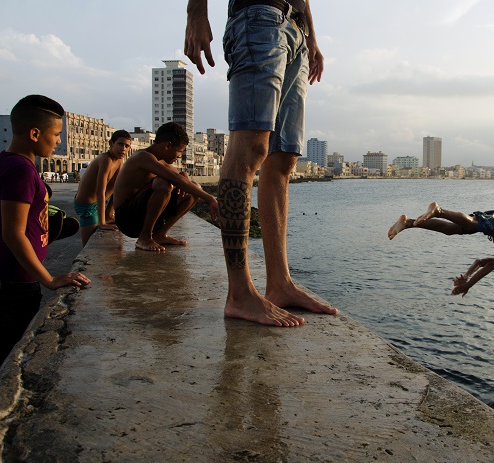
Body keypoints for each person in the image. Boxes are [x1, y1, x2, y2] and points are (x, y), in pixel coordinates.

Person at [184, 0, 337, 327]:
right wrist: (196, 12)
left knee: (283, 159)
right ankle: (239, 294)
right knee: (252, 144)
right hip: (260, 15)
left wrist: (313, 42)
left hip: (298, 32)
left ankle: (279, 284)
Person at [0, 95, 91, 380]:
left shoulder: (0, 162)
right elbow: (13, 233)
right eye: (56, 134)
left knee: (2, 354)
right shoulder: (20, 170)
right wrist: (49, 279)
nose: (58, 142)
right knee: (8, 363)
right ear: (35, 133)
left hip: (5, 279)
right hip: (13, 284)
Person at [388, 202, 494, 297]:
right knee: (471, 225)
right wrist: (467, 286)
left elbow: (480, 262)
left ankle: (407, 223)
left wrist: (467, 275)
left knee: (450, 230)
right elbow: (490, 266)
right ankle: (439, 211)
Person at [112, 122, 218, 252]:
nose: (179, 156)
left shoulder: (160, 161)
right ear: (167, 145)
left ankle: (160, 234)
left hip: (140, 217)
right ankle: (144, 237)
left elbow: (181, 178)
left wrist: (184, 175)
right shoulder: (142, 157)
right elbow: (175, 179)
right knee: (164, 183)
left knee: (194, 189)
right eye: (179, 151)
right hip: (127, 220)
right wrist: (210, 199)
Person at [73, 130, 132, 246]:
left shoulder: (120, 160)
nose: (123, 149)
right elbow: (100, 191)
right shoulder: (106, 160)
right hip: (87, 205)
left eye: (127, 146)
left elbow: (118, 185)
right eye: (120, 144)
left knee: (123, 183)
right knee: (89, 244)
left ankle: (109, 214)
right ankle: (104, 218)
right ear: (111, 144)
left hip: (99, 201)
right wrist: (102, 223)